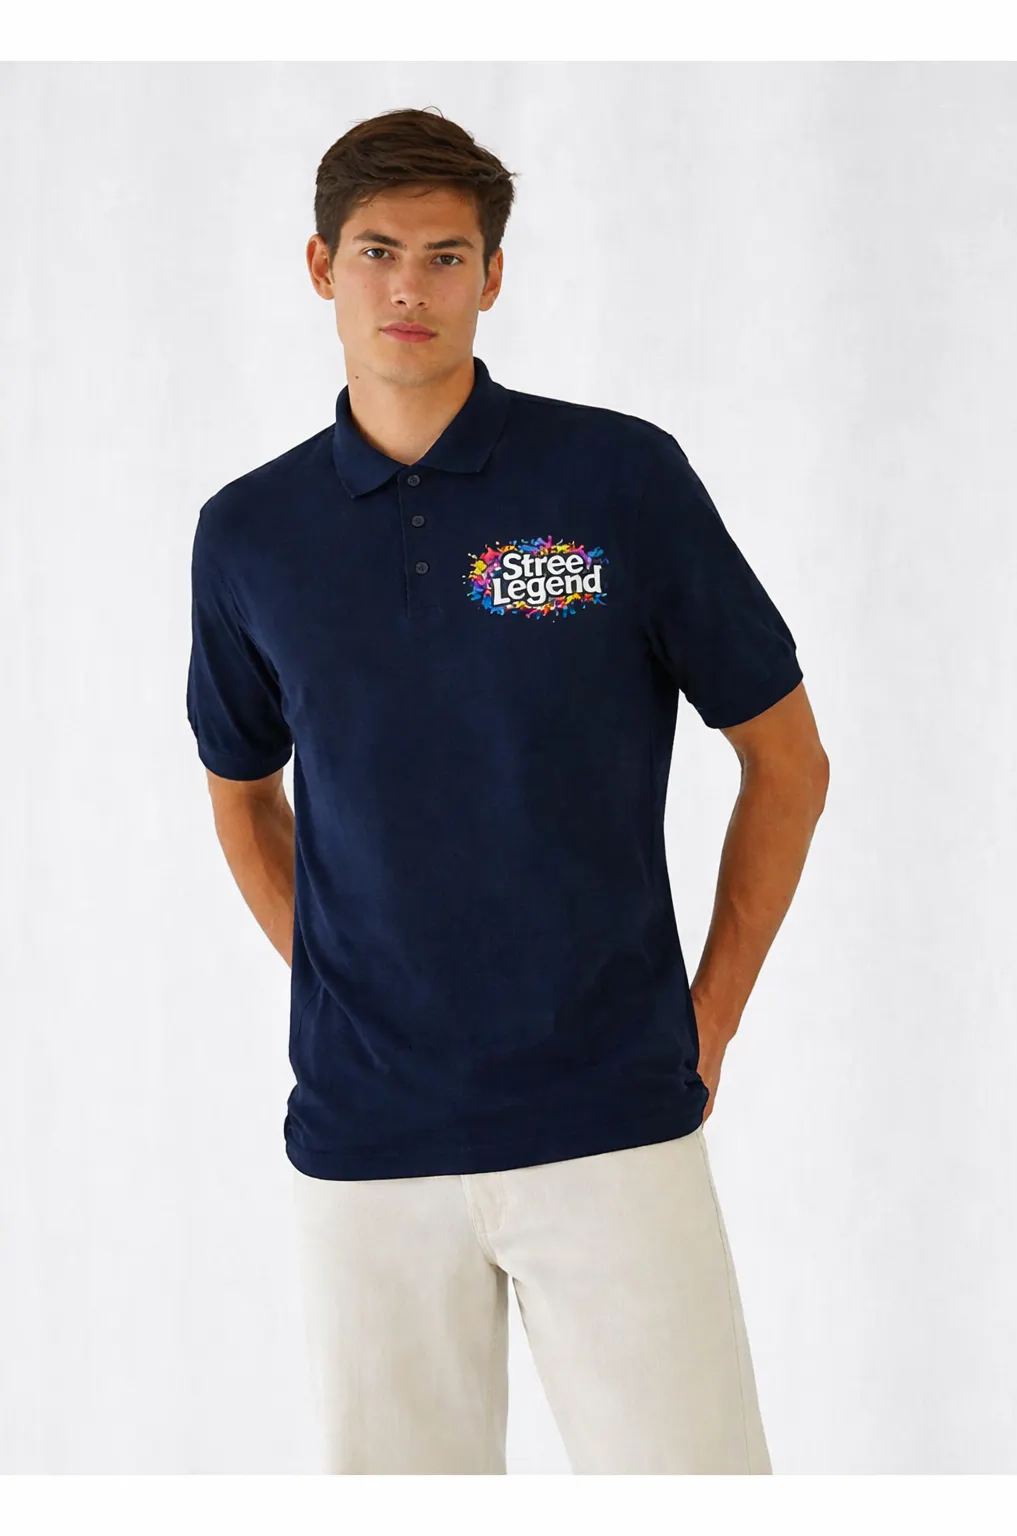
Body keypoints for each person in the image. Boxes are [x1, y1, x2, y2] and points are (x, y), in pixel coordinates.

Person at [186, 105, 829, 1475]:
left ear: (493, 276)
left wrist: (710, 1016)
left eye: (446, 255)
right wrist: (351, 979)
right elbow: (241, 794)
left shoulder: (617, 480)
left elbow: (787, 758)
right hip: (369, 1139)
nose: (408, 287)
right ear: (322, 266)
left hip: (611, 1112)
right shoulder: (248, 534)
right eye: (377, 252)